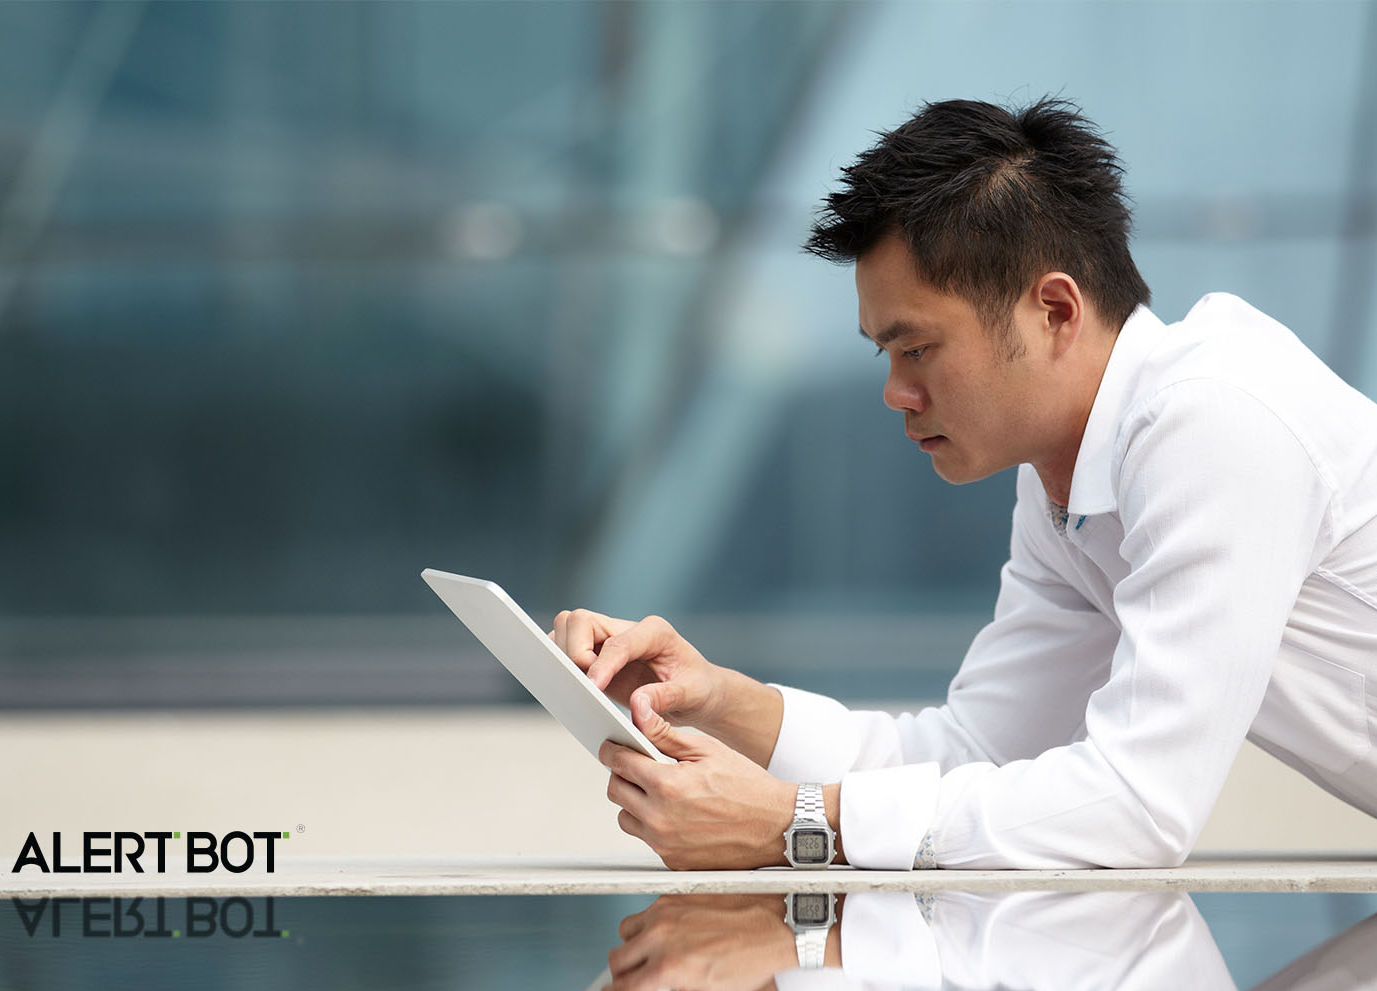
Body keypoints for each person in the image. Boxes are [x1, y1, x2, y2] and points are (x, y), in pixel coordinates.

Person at [550, 97, 1377, 871]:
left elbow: (1138, 804)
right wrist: (718, 698)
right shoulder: (1069, 483)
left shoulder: (1211, 420)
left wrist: (795, 822)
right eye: (885, 354)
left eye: (918, 349)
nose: (895, 393)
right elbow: (971, 753)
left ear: (1055, 310)